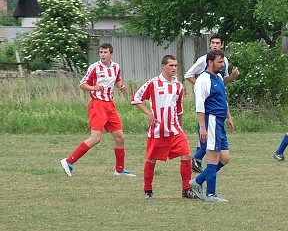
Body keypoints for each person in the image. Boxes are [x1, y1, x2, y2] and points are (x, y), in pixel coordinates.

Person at [60, 43, 135, 177]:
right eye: (101, 52)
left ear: (110, 54)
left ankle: (119, 170)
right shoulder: (94, 67)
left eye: (105, 52)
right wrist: (93, 88)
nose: (102, 54)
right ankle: (68, 161)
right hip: (98, 105)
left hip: (110, 105)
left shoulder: (116, 67)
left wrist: (121, 86)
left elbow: (117, 81)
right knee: (95, 138)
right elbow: (82, 84)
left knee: (120, 137)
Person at [131, 55, 197, 199]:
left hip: (174, 129)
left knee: (186, 155)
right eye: (171, 65)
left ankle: (186, 190)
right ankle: (148, 190)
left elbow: (179, 109)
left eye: (175, 66)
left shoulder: (178, 86)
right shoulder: (153, 83)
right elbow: (136, 99)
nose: (174, 68)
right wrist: (148, 113)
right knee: (151, 159)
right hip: (157, 130)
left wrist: (181, 128)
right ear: (163, 66)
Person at [184, 34, 239, 172]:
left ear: (222, 45)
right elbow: (188, 74)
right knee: (209, 142)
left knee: (212, 145)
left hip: (219, 103)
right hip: (209, 106)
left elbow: (222, 81)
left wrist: (231, 77)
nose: (215, 45)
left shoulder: (223, 60)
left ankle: (196, 162)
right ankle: (197, 163)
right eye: (213, 42)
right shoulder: (205, 60)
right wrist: (202, 87)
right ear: (210, 44)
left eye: (217, 43)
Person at [189, 50, 234, 202]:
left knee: (225, 158)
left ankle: (197, 181)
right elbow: (200, 106)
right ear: (210, 62)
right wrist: (202, 127)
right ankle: (210, 194)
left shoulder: (219, 77)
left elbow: (223, 99)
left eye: (223, 62)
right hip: (211, 121)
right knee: (213, 158)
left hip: (219, 122)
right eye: (219, 62)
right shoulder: (203, 80)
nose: (222, 65)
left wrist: (229, 117)